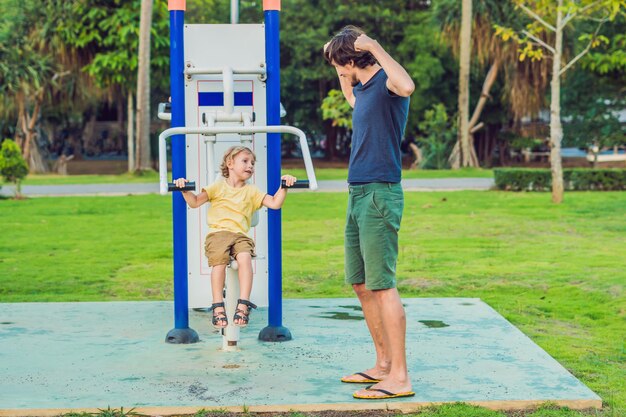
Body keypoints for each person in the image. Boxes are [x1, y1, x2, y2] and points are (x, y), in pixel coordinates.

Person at [324, 26, 415, 400]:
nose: (335, 68)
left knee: (382, 285)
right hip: (357, 193)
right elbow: (350, 95)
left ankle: (400, 377)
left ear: (351, 59)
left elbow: (407, 85)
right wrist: (339, 63)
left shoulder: (388, 84)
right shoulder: (363, 90)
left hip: (380, 193)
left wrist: (374, 45)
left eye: (336, 62)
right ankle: (381, 364)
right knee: (362, 285)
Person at [173, 146, 296, 329]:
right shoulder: (217, 187)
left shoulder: (252, 191)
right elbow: (195, 201)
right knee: (219, 263)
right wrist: (183, 188)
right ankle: (217, 306)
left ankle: (243, 303)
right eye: (245, 161)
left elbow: (274, 203)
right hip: (218, 234)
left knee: (245, 258)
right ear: (230, 163)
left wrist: (284, 186)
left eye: (252, 163)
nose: (250, 166)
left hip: (240, 235)